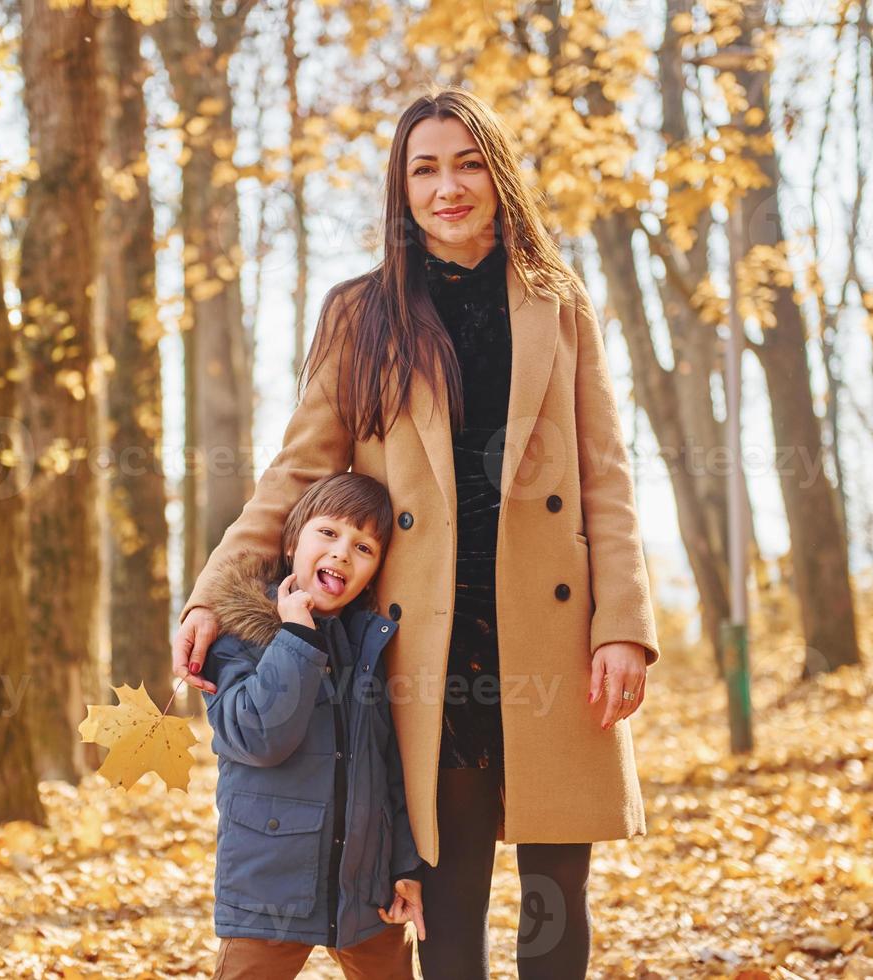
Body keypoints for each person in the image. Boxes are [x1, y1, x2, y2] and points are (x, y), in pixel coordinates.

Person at [177, 85, 661, 980]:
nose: (449, 186)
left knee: (557, 908)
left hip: (549, 637)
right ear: (401, 189)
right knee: (445, 914)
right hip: (422, 649)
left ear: (498, 175)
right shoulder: (363, 315)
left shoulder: (558, 303)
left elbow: (606, 475)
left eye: (469, 163)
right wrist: (219, 586)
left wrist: (623, 623)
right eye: (425, 168)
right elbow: (297, 471)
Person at [199, 472, 428, 980]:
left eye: (363, 547)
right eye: (328, 533)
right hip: (269, 890)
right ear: (290, 542)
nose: (342, 552)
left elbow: (388, 768)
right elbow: (258, 737)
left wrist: (405, 868)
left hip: (366, 893)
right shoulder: (237, 635)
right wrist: (296, 639)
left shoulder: (368, 646)